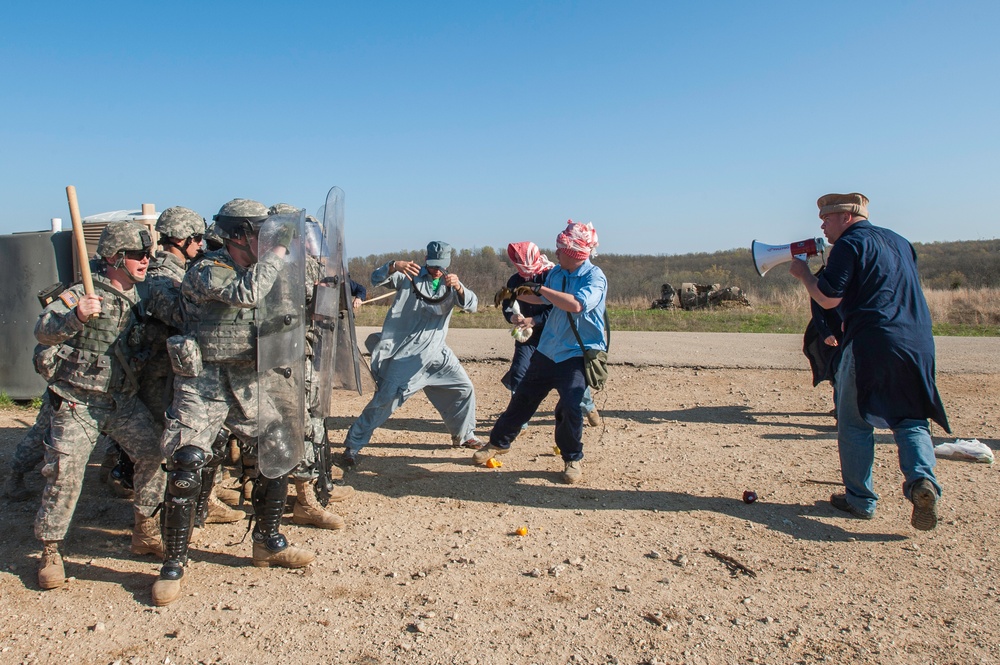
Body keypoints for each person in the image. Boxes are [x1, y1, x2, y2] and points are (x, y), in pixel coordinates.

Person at [152, 198, 315, 606]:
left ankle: (268, 542)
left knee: (278, 450)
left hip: (249, 377)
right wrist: (279, 253)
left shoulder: (264, 269)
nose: (272, 241)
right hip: (204, 380)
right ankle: (173, 563)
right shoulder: (208, 269)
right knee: (187, 463)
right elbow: (247, 292)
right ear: (240, 234)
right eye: (264, 233)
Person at [789, 192, 947, 530]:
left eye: (827, 218)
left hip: (872, 342)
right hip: (917, 341)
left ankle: (860, 500)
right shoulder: (900, 242)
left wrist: (804, 274)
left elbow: (829, 297)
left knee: (854, 422)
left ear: (847, 217)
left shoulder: (849, 243)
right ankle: (923, 482)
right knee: (911, 419)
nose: (822, 224)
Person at [32, 221, 167, 590]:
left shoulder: (142, 296)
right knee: (64, 471)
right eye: (138, 255)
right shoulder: (83, 293)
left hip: (120, 401)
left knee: (154, 451)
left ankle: (145, 529)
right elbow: (43, 330)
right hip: (79, 401)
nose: (146, 261)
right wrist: (76, 316)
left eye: (148, 254)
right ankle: (51, 550)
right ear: (114, 258)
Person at [474, 221, 607, 484]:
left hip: (576, 354)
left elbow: (576, 305)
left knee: (570, 405)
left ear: (576, 252)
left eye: (561, 249)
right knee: (523, 397)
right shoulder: (557, 273)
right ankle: (499, 443)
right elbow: (544, 299)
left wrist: (539, 289)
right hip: (548, 350)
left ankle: (572, 458)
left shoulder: (595, 278)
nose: (556, 253)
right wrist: (516, 295)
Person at [341, 241, 479, 466]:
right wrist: (394, 265)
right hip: (406, 354)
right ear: (426, 260)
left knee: (464, 388)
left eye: (440, 266)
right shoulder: (408, 275)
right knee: (384, 400)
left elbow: (472, 304)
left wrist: (460, 288)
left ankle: (465, 435)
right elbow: (376, 279)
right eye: (433, 265)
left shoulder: (451, 283)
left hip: (437, 353)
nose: (436, 270)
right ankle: (353, 446)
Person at [270, 204, 352, 530]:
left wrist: (336, 288)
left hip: (305, 355)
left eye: (309, 236)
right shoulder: (269, 267)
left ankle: (313, 489)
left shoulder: (310, 266)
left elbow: (336, 299)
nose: (307, 242)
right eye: (300, 235)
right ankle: (305, 501)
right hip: (278, 361)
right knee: (296, 427)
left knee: (312, 422)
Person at [500, 241, 602, 428]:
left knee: (570, 381)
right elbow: (508, 304)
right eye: (515, 261)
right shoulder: (515, 280)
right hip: (527, 337)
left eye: (520, 260)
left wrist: (534, 320)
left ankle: (587, 406)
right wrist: (512, 316)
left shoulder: (551, 275)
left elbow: (556, 309)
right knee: (520, 372)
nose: (519, 265)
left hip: (554, 335)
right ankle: (519, 423)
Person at [802, 265, 843, 416]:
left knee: (843, 374)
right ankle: (841, 412)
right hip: (833, 336)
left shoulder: (856, 276)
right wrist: (826, 333)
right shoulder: (821, 280)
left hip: (851, 334)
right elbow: (818, 312)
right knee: (839, 372)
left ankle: (843, 412)